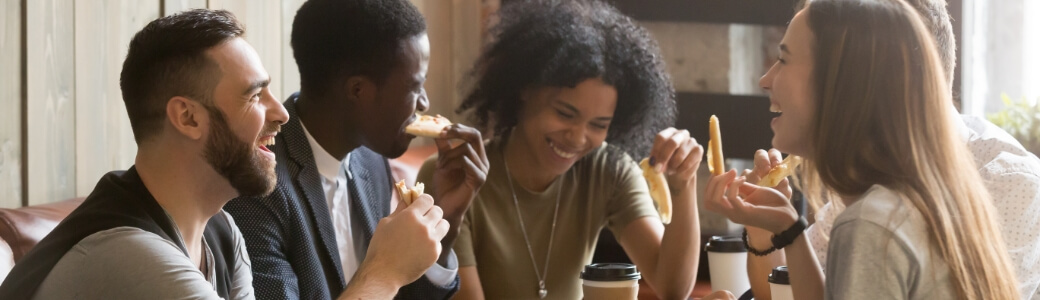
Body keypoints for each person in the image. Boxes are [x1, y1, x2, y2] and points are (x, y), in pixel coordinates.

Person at [703, 0, 1022, 299]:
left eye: (784, 60)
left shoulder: (870, 225)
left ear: (840, 87)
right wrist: (790, 231)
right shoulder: (922, 198)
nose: (765, 79)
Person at [417, 1, 703, 299]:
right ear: (525, 89)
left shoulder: (608, 170)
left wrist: (683, 184)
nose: (578, 138)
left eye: (598, 124)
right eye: (565, 114)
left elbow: (672, 288)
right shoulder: (453, 177)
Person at [0, 9, 286, 299]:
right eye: (254, 96)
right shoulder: (128, 254)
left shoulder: (221, 232)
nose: (282, 113)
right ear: (188, 118)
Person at [222, 0, 488, 299]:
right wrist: (383, 270)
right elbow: (383, 279)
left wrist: (446, 223)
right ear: (358, 90)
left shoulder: (371, 161)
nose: (424, 103)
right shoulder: (256, 188)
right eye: (414, 87)